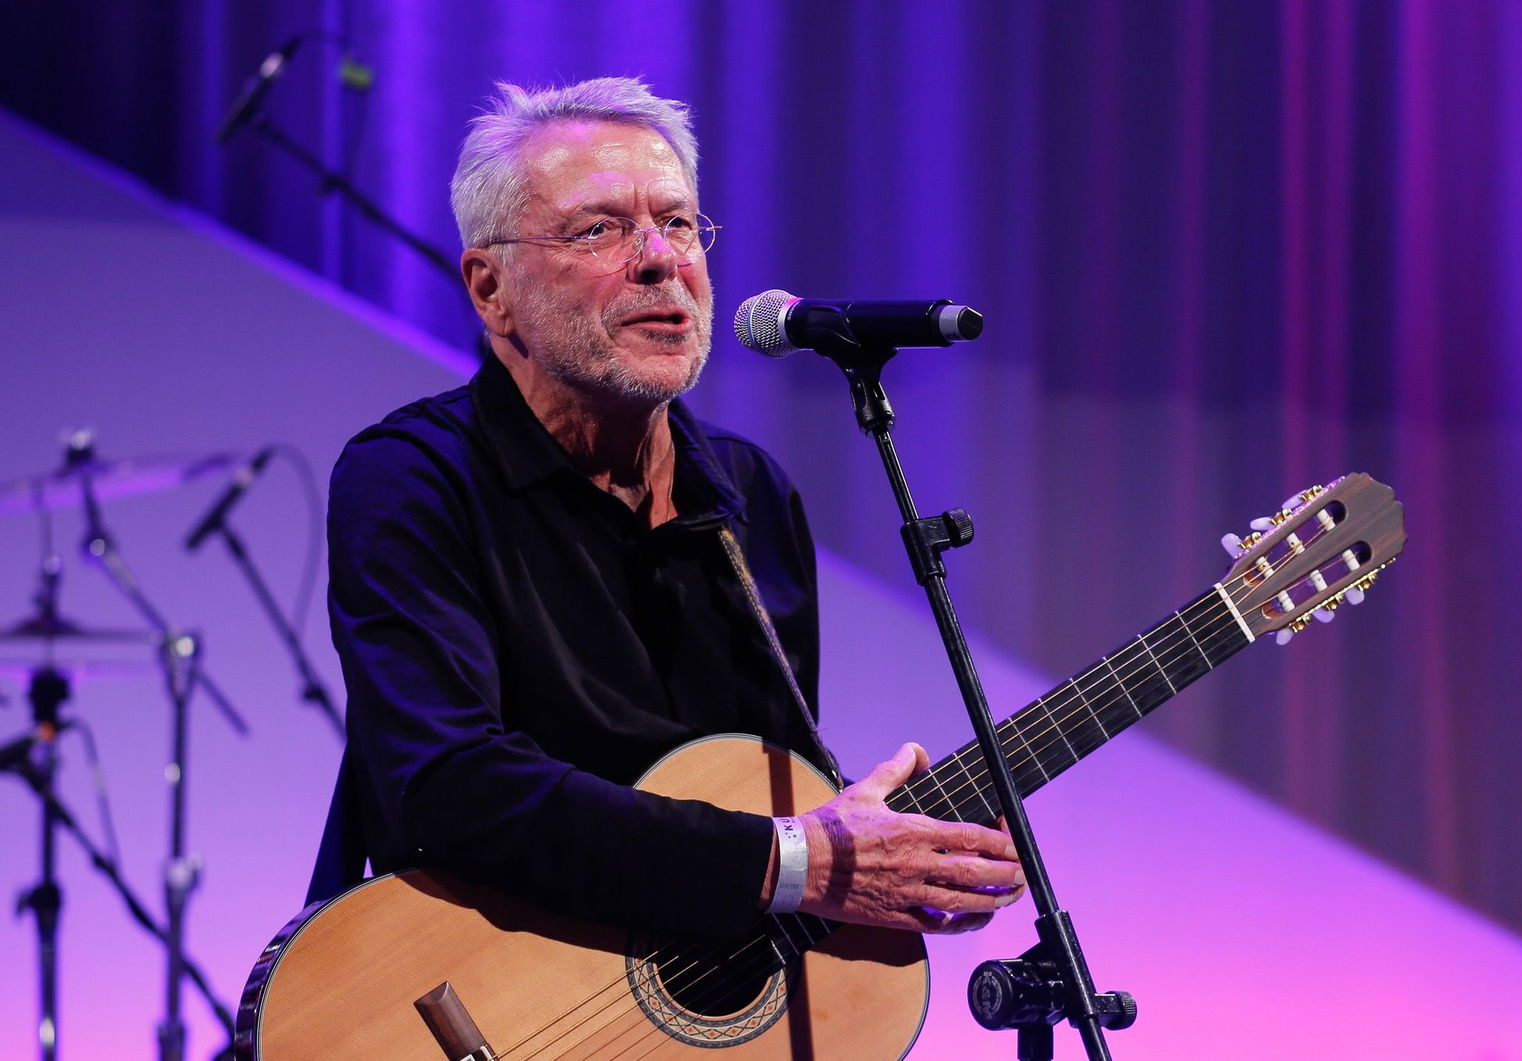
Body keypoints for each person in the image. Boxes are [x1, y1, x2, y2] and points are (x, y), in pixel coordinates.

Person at [311, 77, 1023, 946]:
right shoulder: (412, 479)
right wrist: (800, 861)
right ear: (491, 289)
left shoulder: (751, 493)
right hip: (463, 994)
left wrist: (897, 867)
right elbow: (451, 785)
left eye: (679, 223)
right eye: (598, 229)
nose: (660, 260)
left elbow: (763, 803)